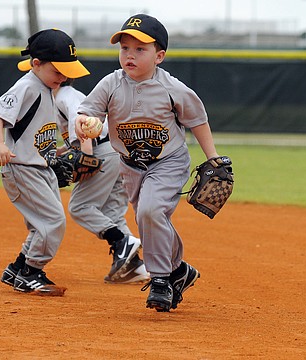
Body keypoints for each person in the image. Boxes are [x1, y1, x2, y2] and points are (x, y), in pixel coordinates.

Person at [75, 14, 220, 312]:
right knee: (149, 217)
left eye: (140, 49)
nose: (130, 55)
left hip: (168, 161)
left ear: (160, 56)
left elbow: (198, 121)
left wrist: (213, 158)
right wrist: (83, 123)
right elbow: (87, 111)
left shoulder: (172, 88)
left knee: (152, 211)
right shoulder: (110, 83)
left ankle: (161, 279)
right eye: (125, 48)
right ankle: (179, 270)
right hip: (130, 166)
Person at [0, 29, 89, 296]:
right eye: (58, 71)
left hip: (38, 167)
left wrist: (63, 149)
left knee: (40, 224)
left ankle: (18, 268)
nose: (63, 77)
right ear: (36, 64)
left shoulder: (46, 87)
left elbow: (35, 132)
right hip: (22, 168)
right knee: (52, 221)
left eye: (66, 72)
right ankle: (30, 274)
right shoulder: (27, 86)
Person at [53, 80, 149, 285]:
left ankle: (121, 240)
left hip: (101, 151)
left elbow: (85, 121)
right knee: (112, 212)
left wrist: (86, 158)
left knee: (80, 206)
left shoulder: (64, 95)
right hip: (118, 151)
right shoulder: (65, 95)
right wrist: (62, 150)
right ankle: (133, 267)